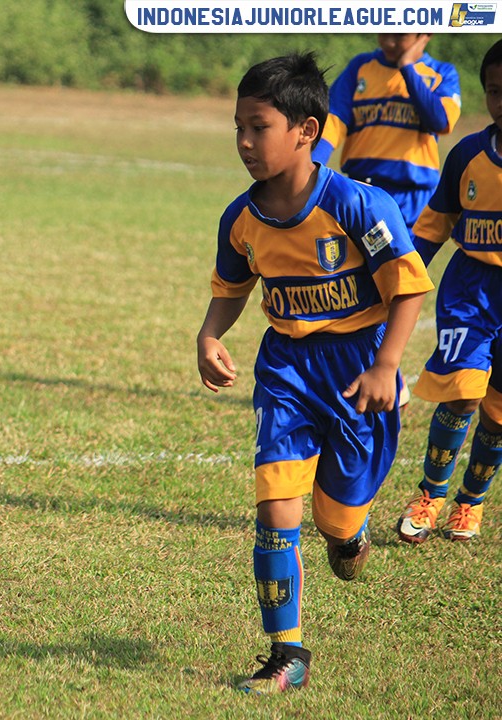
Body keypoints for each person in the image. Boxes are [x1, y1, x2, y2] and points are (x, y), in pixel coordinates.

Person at [197, 53, 432, 694]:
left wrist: (388, 364)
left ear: (307, 130)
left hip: (359, 371)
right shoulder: (240, 218)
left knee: (336, 520)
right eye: (238, 127)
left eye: (259, 127)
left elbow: (408, 288)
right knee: (275, 511)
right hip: (287, 370)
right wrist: (210, 332)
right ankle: (288, 653)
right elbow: (233, 283)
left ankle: (348, 533)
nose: (244, 142)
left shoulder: (358, 204)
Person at [313, 34, 461, 408]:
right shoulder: (360, 68)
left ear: (425, 33)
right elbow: (335, 120)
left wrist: (408, 67)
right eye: (386, 28)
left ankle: (384, 374)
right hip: (362, 196)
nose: (391, 38)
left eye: (402, 32)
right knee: (363, 286)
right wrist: (312, 164)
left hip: (413, 202)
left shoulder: (442, 73)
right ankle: (384, 376)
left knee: (399, 289)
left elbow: (440, 119)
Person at [396, 39, 502, 545]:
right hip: (471, 291)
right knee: (461, 396)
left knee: (498, 413)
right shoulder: (467, 154)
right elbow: (434, 226)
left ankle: (470, 504)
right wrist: (400, 277)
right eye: (496, 91)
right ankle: (431, 495)